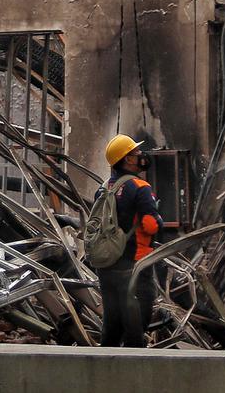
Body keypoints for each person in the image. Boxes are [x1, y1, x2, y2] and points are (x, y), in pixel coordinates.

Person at [96, 133, 163, 347]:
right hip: (135, 265)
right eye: (136, 152)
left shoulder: (104, 187)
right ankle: (135, 361)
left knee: (112, 325)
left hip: (107, 264)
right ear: (128, 159)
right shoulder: (140, 187)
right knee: (137, 323)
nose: (142, 155)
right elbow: (150, 225)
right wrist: (159, 220)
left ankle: (105, 362)